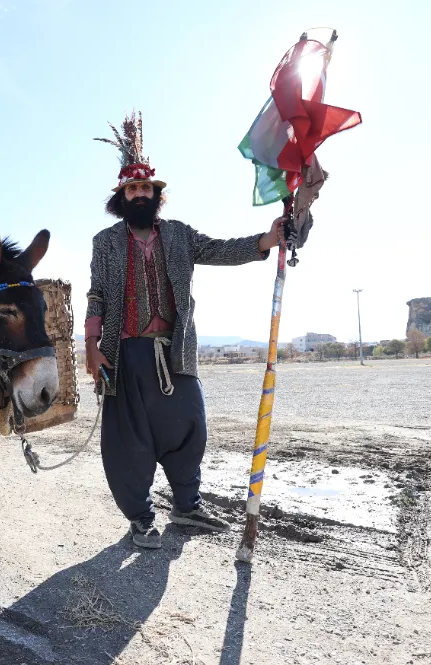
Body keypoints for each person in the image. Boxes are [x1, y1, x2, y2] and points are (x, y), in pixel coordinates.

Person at [85, 112, 282, 549]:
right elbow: (97, 295)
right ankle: (140, 518)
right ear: (122, 196)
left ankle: (186, 506)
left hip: (177, 351)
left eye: (147, 188)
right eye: (132, 188)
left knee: (190, 428)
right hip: (124, 353)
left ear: (157, 194)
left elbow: (220, 249)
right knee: (128, 442)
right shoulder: (105, 242)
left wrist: (266, 241)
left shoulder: (178, 235)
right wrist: (91, 346)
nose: (140, 194)